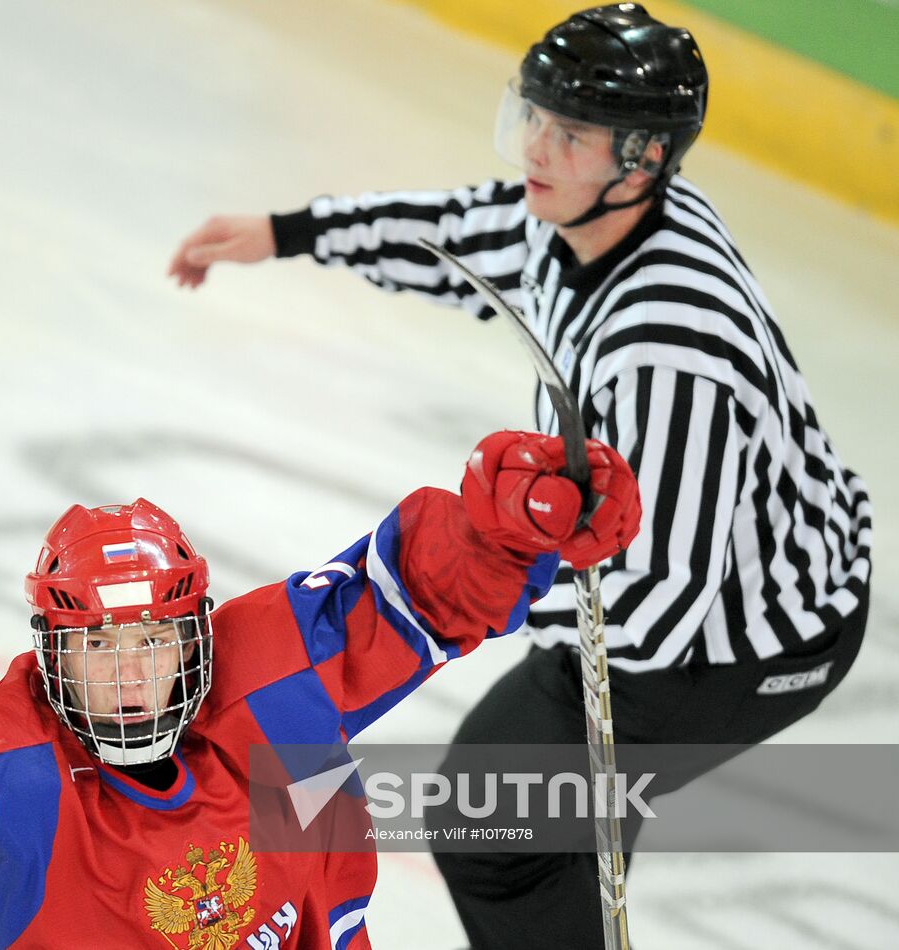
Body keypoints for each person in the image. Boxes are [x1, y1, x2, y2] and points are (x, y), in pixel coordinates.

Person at [167, 4, 872, 947]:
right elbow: (467, 235)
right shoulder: (594, 212)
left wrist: (455, 599)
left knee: (485, 824)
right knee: (544, 822)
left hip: (744, 645)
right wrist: (290, 231)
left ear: (643, 159)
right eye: (533, 115)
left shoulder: (668, 349)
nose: (535, 147)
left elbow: (659, 610)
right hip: (665, 600)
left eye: (568, 132)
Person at [0, 430, 640, 949]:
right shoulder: (11, 760)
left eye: (153, 641)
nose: (131, 676)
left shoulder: (272, 679)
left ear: (197, 634)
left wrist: (504, 537)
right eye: (99, 648)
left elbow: (411, 597)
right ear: (50, 654)